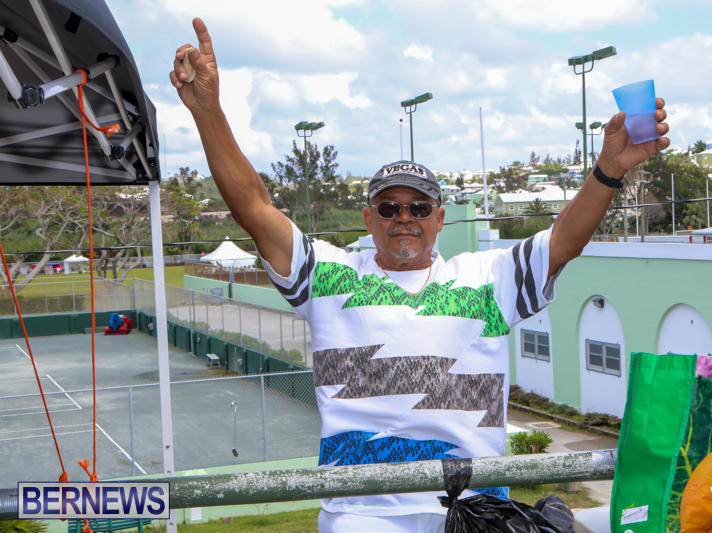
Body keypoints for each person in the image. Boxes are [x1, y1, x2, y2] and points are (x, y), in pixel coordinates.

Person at [171, 18, 670, 533]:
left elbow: (565, 239)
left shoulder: (487, 278)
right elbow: (254, 208)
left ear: (440, 218)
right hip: (362, 515)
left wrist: (609, 169)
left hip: (473, 514)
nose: (404, 217)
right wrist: (208, 112)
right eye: (388, 208)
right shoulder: (328, 275)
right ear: (368, 219)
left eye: (419, 206)